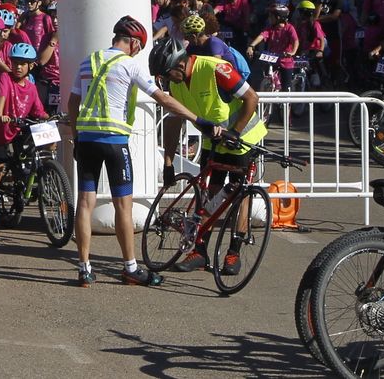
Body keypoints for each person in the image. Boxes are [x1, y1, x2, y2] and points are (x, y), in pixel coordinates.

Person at [64, 16, 205, 287]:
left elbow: (73, 102)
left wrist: (79, 135)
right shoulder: (129, 64)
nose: (138, 51)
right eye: (139, 46)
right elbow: (162, 97)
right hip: (115, 141)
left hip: (87, 139)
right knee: (123, 206)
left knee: (85, 203)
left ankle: (84, 269)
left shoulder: (88, 61)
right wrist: (195, 118)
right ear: (133, 42)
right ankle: (130, 267)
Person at [153, 39, 266, 275]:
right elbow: (174, 121)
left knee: (238, 195)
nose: (165, 80)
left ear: (180, 65)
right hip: (213, 142)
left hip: (242, 139)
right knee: (209, 195)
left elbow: (252, 98)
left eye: (166, 74)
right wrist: (168, 161)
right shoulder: (177, 84)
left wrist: (235, 131)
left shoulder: (215, 69)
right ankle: (200, 252)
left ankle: (233, 252)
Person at [0, 41, 45, 234]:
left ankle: (26, 185)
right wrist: (1, 114)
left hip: (20, 132)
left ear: (30, 66)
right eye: (15, 62)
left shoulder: (31, 87)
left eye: (22, 63)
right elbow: (0, 102)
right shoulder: (5, 78)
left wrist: (53, 117)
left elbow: (38, 111)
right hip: (2, 132)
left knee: (31, 159)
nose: (18, 67)